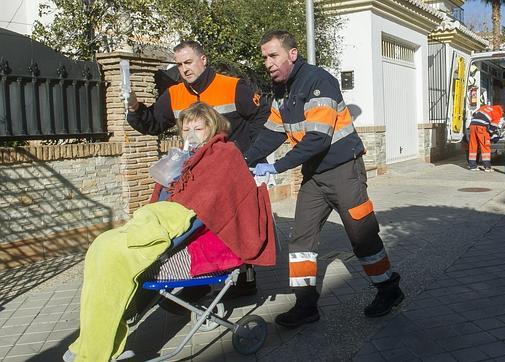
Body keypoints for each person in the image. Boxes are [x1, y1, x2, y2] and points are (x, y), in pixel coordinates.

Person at [64, 102, 275, 362]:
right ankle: (96, 339)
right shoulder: (186, 156)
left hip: (188, 234)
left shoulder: (225, 154)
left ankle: (97, 351)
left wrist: (167, 243)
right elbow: (163, 199)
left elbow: (204, 209)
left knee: (115, 257)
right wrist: (172, 174)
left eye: (199, 127)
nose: (192, 133)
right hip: (161, 222)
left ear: (213, 127)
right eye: (186, 128)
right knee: (101, 246)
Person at [243, 30, 404, 328]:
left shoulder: (318, 81)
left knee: (362, 235)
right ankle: (305, 306)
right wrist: (245, 159)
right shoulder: (281, 89)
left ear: (292, 54)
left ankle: (388, 288)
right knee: (301, 239)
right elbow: (272, 132)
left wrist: (276, 168)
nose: (267, 62)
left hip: (344, 171)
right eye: (264, 57)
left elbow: (317, 138)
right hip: (314, 176)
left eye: (273, 55)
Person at [126, 40, 267, 300]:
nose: (184, 69)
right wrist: (136, 109)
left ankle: (245, 278)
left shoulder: (232, 86)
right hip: (198, 172)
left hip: (231, 167)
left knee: (236, 221)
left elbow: (262, 116)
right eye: (179, 65)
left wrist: (248, 154)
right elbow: (153, 124)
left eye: (188, 62)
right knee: (198, 223)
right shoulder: (175, 94)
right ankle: (198, 278)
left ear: (203, 59)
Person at [467, 105, 503, 172]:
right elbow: (492, 128)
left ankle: (472, 166)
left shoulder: (485, 107)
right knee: (485, 146)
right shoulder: (498, 113)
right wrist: (491, 135)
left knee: (473, 145)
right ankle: (487, 167)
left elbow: (474, 114)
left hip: (472, 125)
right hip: (481, 127)